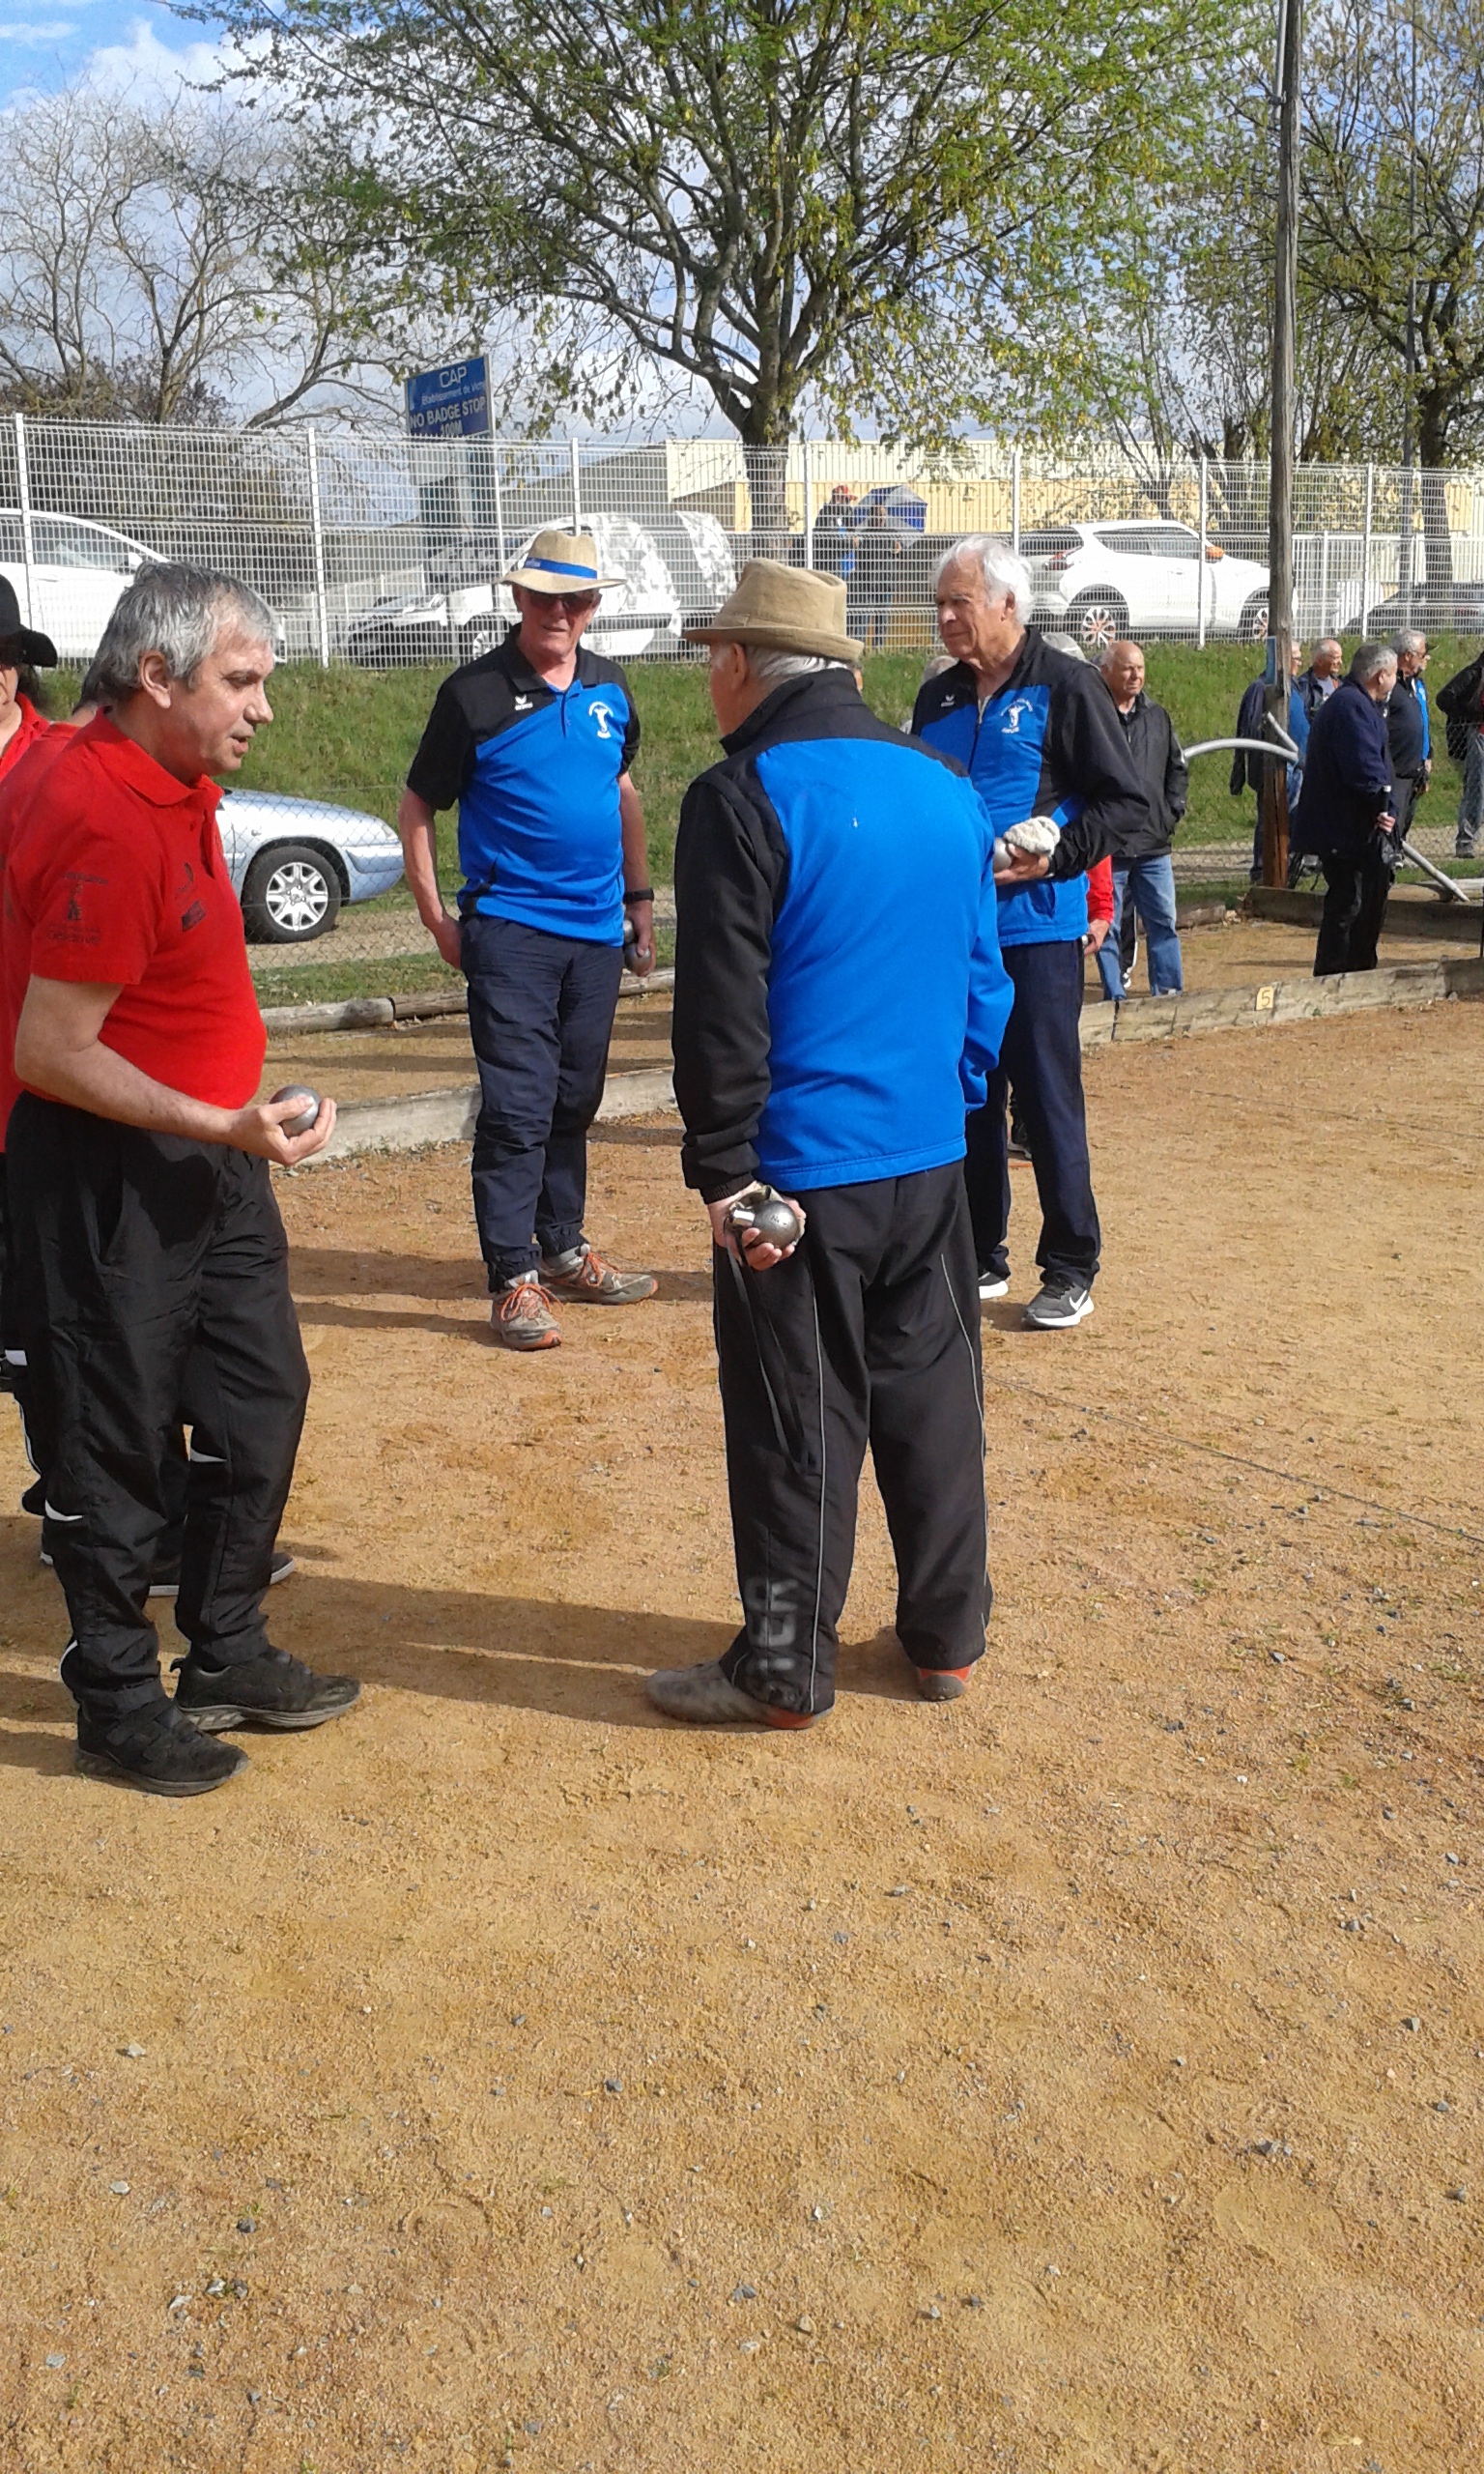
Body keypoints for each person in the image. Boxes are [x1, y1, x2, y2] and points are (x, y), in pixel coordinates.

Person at [1, 564, 358, 1798]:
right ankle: (113, 1697)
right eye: (240, 681)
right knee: (116, 1443)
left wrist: (233, 1118)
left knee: (260, 1402)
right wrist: (222, 1117)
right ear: (157, 679)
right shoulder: (99, 806)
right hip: (113, 1172)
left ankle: (225, 1648)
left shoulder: (171, 771)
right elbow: (50, 1051)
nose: (263, 706)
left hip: (214, 1154)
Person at [647, 561, 1012, 1728]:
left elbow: (721, 1011)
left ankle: (787, 1662)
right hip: (927, 1156)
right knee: (935, 1399)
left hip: (798, 1175)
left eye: (716, 656)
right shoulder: (945, 784)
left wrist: (724, 1169)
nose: (711, 677)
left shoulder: (741, 795)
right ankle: (947, 1633)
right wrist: (945, 1106)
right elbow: (980, 979)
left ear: (743, 663)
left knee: (796, 1414)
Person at [398, 530, 658, 1352]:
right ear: (517, 599)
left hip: (595, 933)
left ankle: (564, 1246)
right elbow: (417, 808)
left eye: (575, 599)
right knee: (517, 1106)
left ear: (593, 607)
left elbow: (622, 792)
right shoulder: (473, 695)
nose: (559, 612)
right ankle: (513, 1278)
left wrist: (642, 901)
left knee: (575, 1097)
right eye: (544, 596)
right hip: (510, 930)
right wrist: (439, 919)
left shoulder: (611, 688)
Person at [912, 536, 1149, 1330]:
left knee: (1046, 1102)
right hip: (956, 936)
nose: (945, 616)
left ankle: (1071, 1264)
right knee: (969, 1098)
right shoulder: (938, 698)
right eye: (940, 602)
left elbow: (1125, 805)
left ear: (1008, 605)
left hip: (1038, 933)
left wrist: (1053, 862)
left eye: (960, 602)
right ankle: (980, 1250)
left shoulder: (1069, 685)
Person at [1293, 640, 1399, 977]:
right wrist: (1380, 806)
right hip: (1344, 828)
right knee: (1348, 902)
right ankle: (1335, 973)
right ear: (1381, 676)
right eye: (1394, 674)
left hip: (1351, 825)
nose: (1395, 680)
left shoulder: (1358, 704)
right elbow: (1364, 768)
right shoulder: (1351, 707)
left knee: (1356, 901)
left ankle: (1355, 968)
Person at [1096, 641, 1187, 998]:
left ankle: (1168, 993)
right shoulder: (1095, 715)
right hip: (1109, 845)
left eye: (1140, 668)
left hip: (1153, 844)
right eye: (1127, 668)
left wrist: (1171, 811)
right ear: (1107, 671)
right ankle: (1114, 994)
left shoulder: (1158, 717)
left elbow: (1177, 768)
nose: (1136, 676)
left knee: (1163, 921)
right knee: (1109, 924)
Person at [1232, 642, 1309, 879]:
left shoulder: (1293, 686)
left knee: (1292, 816)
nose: (1299, 662)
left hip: (1296, 764)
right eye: (1295, 658)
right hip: (1274, 766)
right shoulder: (1261, 687)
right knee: (1270, 817)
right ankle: (1262, 868)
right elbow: (1251, 728)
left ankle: (1288, 864)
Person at [1437, 644, 1484, 856]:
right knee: (1477, 788)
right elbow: (1444, 697)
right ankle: (1466, 840)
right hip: (1480, 735)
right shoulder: (1475, 673)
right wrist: (1467, 716)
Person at [1385, 630, 1431, 847]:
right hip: (1393, 771)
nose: (1426, 659)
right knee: (1389, 828)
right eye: (1421, 654)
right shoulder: (1389, 684)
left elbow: (1420, 722)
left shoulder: (1413, 684)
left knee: (1402, 825)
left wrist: (1426, 757)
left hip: (1412, 770)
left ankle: (1392, 863)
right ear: (1407, 655)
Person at [846, 501, 903, 651]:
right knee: (862, 618)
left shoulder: (892, 534)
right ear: (870, 516)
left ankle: (878, 649)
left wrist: (899, 548)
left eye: (883, 515)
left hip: (885, 583)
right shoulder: (863, 535)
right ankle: (860, 649)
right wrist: (855, 545)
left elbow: (901, 553)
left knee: (882, 619)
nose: (880, 518)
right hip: (866, 583)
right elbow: (857, 557)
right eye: (877, 514)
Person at [811, 484, 855, 578]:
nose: (848, 504)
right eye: (846, 500)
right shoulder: (826, 516)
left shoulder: (844, 517)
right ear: (837, 499)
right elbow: (832, 540)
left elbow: (852, 532)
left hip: (845, 565)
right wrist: (851, 543)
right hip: (831, 566)